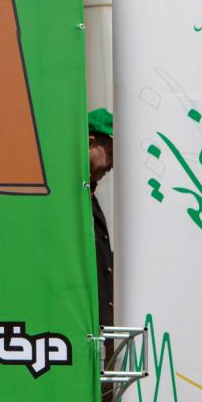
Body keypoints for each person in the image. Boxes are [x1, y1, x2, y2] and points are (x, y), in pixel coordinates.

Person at [88, 108, 114, 332]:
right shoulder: (66, 195)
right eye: (111, 152)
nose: (112, 164)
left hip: (98, 327)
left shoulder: (89, 195)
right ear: (90, 142)